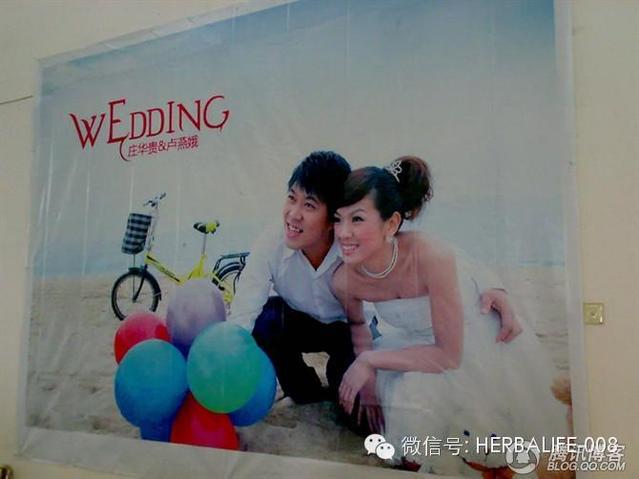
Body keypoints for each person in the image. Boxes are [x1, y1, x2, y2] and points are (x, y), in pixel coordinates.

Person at [229, 151, 520, 431]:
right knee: (267, 319)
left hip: (348, 329)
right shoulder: (274, 242)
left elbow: (437, 254)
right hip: (300, 320)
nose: (293, 215)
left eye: (309, 205)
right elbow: (244, 308)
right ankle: (305, 389)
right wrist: (227, 356)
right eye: (291, 198)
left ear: (332, 216)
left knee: (359, 415)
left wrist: (493, 287)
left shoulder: (355, 243)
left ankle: (339, 385)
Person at [331, 156, 567, 474]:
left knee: (493, 435)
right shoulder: (343, 280)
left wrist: (369, 361)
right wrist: (370, 383)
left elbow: (449, 355)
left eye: (357, 219)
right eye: (338, 219)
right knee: (412, 417)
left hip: (470, 341)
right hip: (414, 344)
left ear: (391, 224)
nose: (343, 233)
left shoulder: (430, 255)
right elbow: (359, 324)